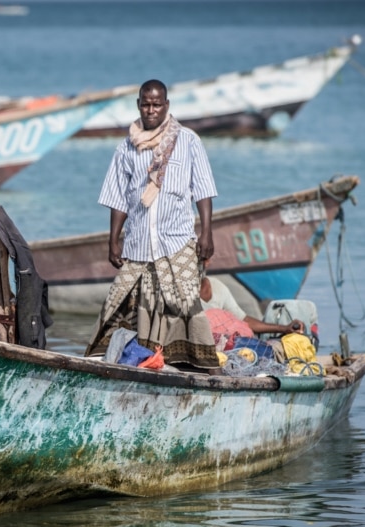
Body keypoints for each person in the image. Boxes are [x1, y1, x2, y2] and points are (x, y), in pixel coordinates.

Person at [84, 79, 220, 371]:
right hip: (139, 244)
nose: (151, 110)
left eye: (157, 104)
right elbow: (119, 197)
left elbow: (204, 190)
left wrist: (207, 233)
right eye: (146, 104)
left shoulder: (188, 141)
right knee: (118, 302)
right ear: (138, 105)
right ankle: (125, 362)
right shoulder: (127, 148)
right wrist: (113, 240)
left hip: (178, 241)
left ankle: (196, 367)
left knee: (183, 302)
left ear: (166, 106)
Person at [199, 275, 305, 337]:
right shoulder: (183, 290)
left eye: (206, 259)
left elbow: (244, 319)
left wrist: (284, 328)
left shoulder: (217, 287)